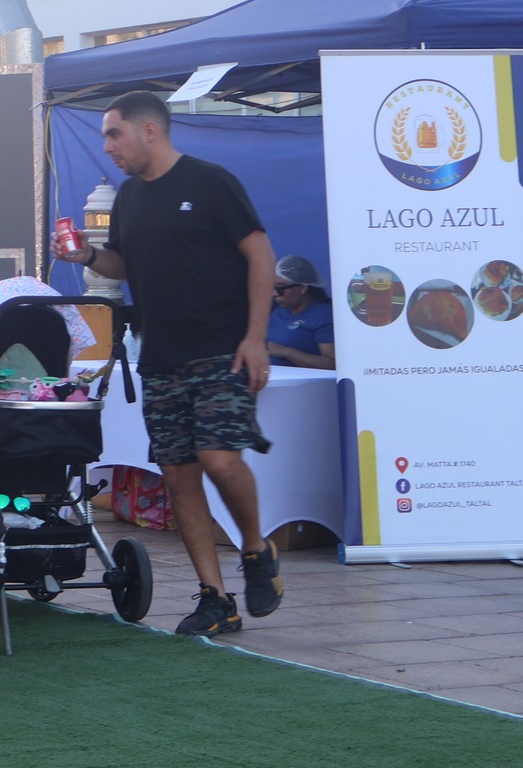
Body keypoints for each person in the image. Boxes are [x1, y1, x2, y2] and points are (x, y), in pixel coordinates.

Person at [58, 90, 282, 637]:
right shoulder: (130, 198)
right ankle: (215, 599)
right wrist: (87, 255)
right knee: (179, 478)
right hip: (160, 358)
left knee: (221, 459)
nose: (107, 146)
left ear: (149, 131)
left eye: (114, 134)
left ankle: (256, 550)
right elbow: (122, 265)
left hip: (221, 350)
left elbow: (262, 256)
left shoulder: (209, 182)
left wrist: (256, 338)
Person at [267, 255, 337, 370]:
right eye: (272, 287)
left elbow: (332, 364)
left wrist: (286, 352)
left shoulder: (323, 315)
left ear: (303, 288)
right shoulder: (278, 310)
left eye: (280, 287)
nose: (274, 293)